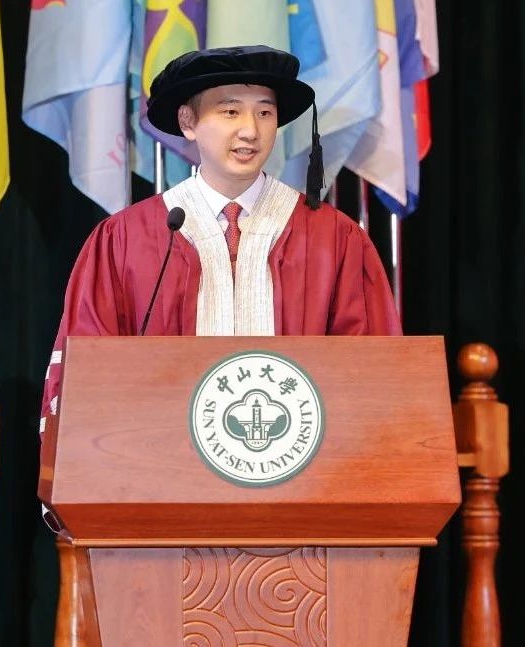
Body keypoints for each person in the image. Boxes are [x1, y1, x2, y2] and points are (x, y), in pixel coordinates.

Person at [39, 45, 399, 435]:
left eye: (265, 113)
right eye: (230, 112)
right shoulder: (125, 240)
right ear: (188, 121)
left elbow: (373, 377)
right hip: (161, 463)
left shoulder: (335, 239)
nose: (251, 131)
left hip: (309, 466)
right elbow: (86, 381)